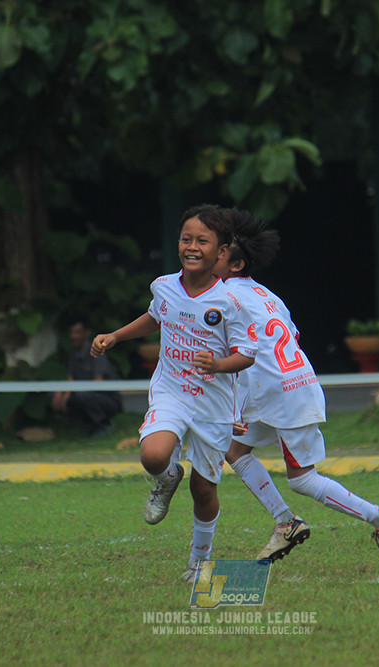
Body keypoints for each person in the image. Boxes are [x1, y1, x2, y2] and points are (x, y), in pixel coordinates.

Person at [217, 208, 379, 565]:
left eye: (219, 253)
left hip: (281, 394)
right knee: (234, 450)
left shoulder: (224, 297)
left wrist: (233, 403)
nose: (208, 256)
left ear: (236, 264)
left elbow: (240, 354)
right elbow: (291, 336)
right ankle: (285, 522)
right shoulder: (265, 294)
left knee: (302, 480)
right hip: (285, 386)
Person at [91, 204, 256, 580]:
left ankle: (200, 560)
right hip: (172, 392)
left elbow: (246, 355)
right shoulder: (163, 286)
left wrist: (218, 365)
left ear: (222, 251)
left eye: (202, 241)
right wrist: (116, 336)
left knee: (204, 488)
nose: (192, 247)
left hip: (213, 404)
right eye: (186, 239)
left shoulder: (231, 302)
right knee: (153, 455)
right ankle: (167, 477)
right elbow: (156, 316)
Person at [51, 320, 122, 437]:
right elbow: (70, 378)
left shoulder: (97, 351)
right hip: (83, 393)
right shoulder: (73, 354)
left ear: (87, 333)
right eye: (71, 333)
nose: (73, 336)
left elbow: (98, 382)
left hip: (106, 399)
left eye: (77, 332)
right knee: (56, 396)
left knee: (83, 396)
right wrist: (62, 394)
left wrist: (73, 392)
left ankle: (105, 423)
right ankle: (82, 425)